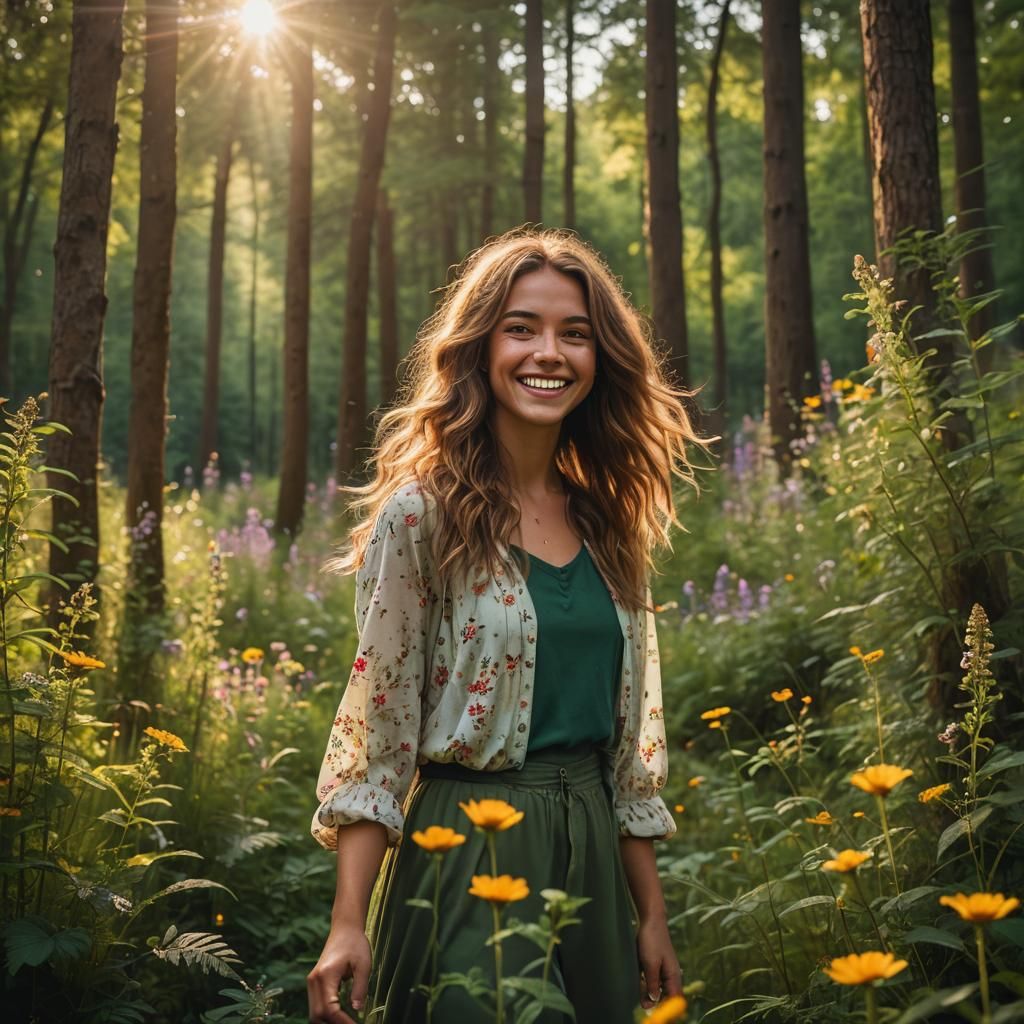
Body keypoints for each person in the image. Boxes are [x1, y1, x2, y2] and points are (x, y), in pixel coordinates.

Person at [306, 228, 715, 1024]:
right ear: (479, 347)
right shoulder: (421, 516)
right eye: (521, 327)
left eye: (575, 333)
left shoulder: (610, 522)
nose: (548, 353)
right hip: (466, 848)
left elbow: (629, 755)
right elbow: (376, 733)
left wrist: (652, 915)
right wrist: (347, 923)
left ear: (602, 361)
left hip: (593, 850)